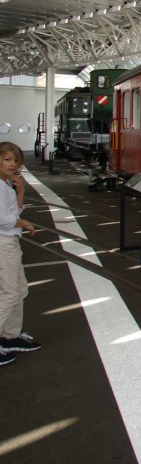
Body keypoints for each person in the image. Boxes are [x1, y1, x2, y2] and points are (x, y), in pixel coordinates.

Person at [0, 142, 40, 366]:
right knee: (9, 293)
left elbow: (13, 212)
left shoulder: (6, 184)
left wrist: (21, 190)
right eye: (7, 159)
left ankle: (10, 336)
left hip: (10, 242)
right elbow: (5, 220)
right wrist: (25, 223)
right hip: (3, 243)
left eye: (16, 161)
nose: (12, 164)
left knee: (19, 290)